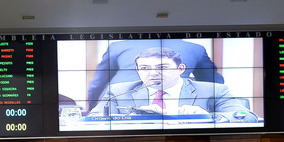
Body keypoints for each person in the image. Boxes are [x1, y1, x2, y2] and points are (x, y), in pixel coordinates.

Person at [89, 47, 258, 123]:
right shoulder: (118, 91)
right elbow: (92, 119)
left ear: (181, 68)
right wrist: (131, 118)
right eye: (145, 68)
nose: (153, 73)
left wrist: (208, 117)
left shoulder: (213, 90)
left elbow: (247, 116)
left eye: (162, 67)